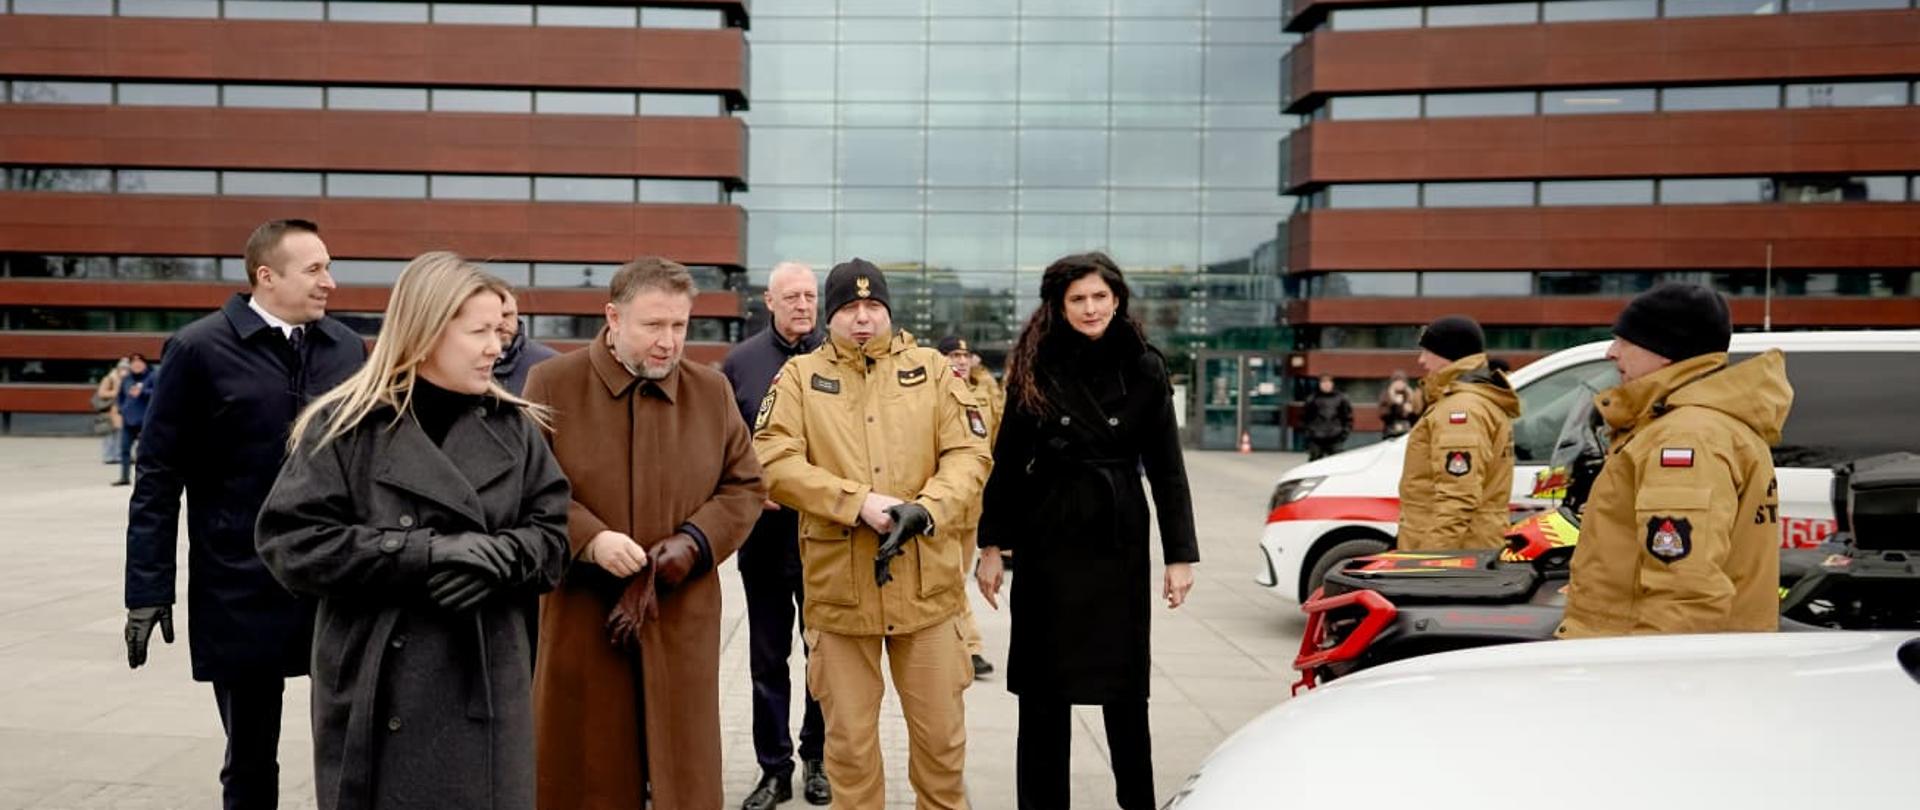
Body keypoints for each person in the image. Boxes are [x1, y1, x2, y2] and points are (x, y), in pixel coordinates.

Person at [255, 253, 570, 810]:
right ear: (425, 333)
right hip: (379, 687)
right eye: (478, 332)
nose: (497, 347)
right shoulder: (348, 425)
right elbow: (291, 544)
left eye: (499, 330)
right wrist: (423, 554)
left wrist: (497, 560)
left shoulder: (514, 427)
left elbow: (553, 540)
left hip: (485, 686)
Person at [123, 218, 365, 810]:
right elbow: (157, 478)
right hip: (238, 584)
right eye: (314, 269)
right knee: (252, 755)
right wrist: (147, 588)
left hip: (334, 583)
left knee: (354, 745)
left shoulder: (346, 348)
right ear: (266, 276)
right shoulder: (198, 349)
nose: (330, 282)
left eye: (329, 267)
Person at [526, 257, 766, 810]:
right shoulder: (552, 383)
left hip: (679, 619)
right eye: (653, 325)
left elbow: (746, 486)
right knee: (586, 773)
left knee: (683, 778)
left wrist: (695, 543)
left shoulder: (711, 391)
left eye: (680, 326)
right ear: (612, 317)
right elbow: (528, 488)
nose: (669, 342)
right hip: (586, 618)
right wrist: (589, 539)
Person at [753, 258, 991, 810]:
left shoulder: (932, 370)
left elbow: (970, 452)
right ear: (830, 316)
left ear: (888, 311)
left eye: (873, 307)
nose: (863, 319)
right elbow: (770, 458)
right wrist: (856, 503)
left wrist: (925, 509)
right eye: (849, 309)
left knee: (941, 747)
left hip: (928, 591)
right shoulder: (800, 378)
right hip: (841, 597)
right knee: (850, 754)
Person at [973, 252, 1198, 810]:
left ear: (1117, 299)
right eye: (1078, 299)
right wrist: (991, 545)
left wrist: (1179, 556)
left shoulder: (1145, 365)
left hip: (1117, 536)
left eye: (1100, 296)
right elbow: (1007, 460)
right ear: (1059, 305)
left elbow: (1167, 466)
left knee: (1124, 692)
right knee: (1044, 696)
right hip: (1048, 536)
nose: (1091, 307)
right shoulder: (1034, 363)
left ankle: (1136, 802)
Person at [1558, 283, 1790, 638]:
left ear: (1664, 351)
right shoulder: (1700, 424)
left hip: (1639, 664)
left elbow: (1684, 592)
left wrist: (1660, 680)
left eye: (1624, 341)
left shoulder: (1685, 437)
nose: (1611, 352)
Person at [720, 261, 831, 810]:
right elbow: (721, 443)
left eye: (810, 295)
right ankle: (773, 770)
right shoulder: (740, 364)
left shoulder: (837, 359)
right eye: (792, 296)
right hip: (763, 538)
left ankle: (818, 760)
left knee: (824, 657)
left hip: (826, 539)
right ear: (769, 300)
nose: (803, 305)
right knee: (767, 660)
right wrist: (744, 490)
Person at [1395, 315, 1520, 552]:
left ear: (1447, 354)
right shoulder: (1473, 400)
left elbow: (1458, 498)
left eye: (1427, 352)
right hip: (1470, 544)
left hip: (1456, 552)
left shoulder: (1460, 410)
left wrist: (1427, 561)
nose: (1421, 361)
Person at [937, 334, 1002, 679]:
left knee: (955, 579)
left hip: (974, 506)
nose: (960, 361)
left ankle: (955, 643)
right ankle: (971, 647)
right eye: (952, 355)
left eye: (964, 355)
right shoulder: (932, 391)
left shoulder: (985, 392)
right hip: (945, 506)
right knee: (952, 578)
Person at [491, 286, 560, 396]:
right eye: (494, 315)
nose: (502, 322)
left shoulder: (551, 364)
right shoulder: (458, 362)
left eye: (507, 315)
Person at [112, 355, 154, 483]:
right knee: (124, 449)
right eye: (133, 363)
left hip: (145, 420)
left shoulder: (152, 377)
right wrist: (121, 408)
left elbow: (158, 393)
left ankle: (143, 478)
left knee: (143, 452)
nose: (136, 365)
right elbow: (120, 396)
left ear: (145, 364)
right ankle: (124, 477)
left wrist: (142, 392)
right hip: (128, 420)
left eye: (139, 363)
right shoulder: (127, 379)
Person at [1301, 374, 1352, 461]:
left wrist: (1344, 434)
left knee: (1337, 462)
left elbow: (1347, 417)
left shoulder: (1341, 398)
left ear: (1332, 384)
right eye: (1323, 383)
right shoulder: (1312, 399)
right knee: (1315, 464)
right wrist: (1309, 433)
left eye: (1328, 382)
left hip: (1335, 437)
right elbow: (1305, 418)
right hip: (1316, 437)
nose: (1326, 385)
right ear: (1320, 384)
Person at [94, 357, 127, 464]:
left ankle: (118, 456)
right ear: (118, 368)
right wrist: (116, 391)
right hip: (109, 410)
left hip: (121, 411)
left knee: (120, 434)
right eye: (122, 368)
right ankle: (108, 456)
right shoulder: (109, 378)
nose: (124, 370)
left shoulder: (128, 379)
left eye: (126, 368)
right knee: (109, 434)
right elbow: (101, 393)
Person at [1378, 371, 1421, 441]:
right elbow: (1382, 414)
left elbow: (1418, 415)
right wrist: (1394, 404)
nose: (1399, 384)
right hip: (1391, 432)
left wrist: (1411, 411)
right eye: (1397, 382)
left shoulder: (1410, 395)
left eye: (1401, 382)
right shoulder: (1387, 395)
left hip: (1408, 432)